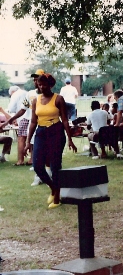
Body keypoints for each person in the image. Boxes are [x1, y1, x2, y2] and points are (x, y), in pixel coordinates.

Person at [24, 73, 77, 209]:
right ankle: (53, 188)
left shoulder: (58, 99)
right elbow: (33, 122)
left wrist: (70, 139)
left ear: (50, 85)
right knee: (37, 166)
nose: (41, 87)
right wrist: (27, 141)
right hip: (41, 133)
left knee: (55, 166)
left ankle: (57, 198)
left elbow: (64, 119)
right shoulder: (36, 100)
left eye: (44, 84)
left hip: (56, 132)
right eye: (39, 84)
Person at [4, 85, 28, 165]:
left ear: (12, 92)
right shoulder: (26, 93)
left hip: (23, 118)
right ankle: (32, 159)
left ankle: (20, 160)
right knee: (31, 140)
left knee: (21, 139)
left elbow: (11, 109)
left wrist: (11, 119)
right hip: (32, 118)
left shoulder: (15, 95)